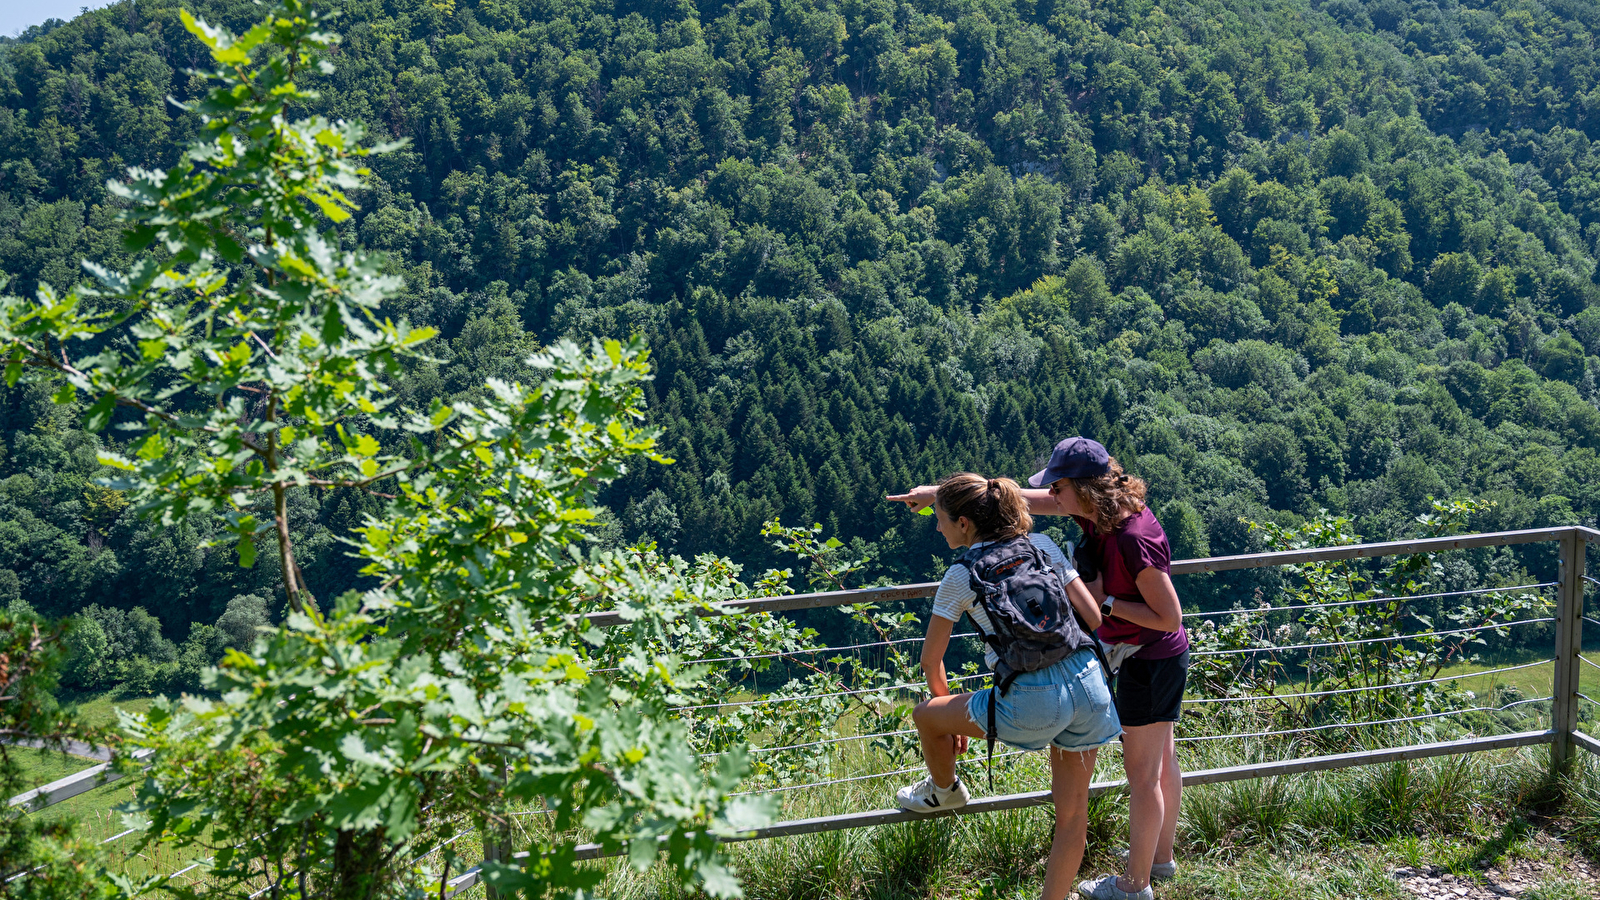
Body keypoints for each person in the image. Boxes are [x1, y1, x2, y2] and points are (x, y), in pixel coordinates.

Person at [889, 439, 1187, 900]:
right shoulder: (1046, 543)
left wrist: (953, 722)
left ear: (964, 523)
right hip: (1090, 689)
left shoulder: (960, 574)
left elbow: (931, 660)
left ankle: (944, 790)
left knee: (927, 715)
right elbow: (1092, 618)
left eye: (942, 521)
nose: (939, 528)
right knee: (1074, 815)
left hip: (1042, 698)